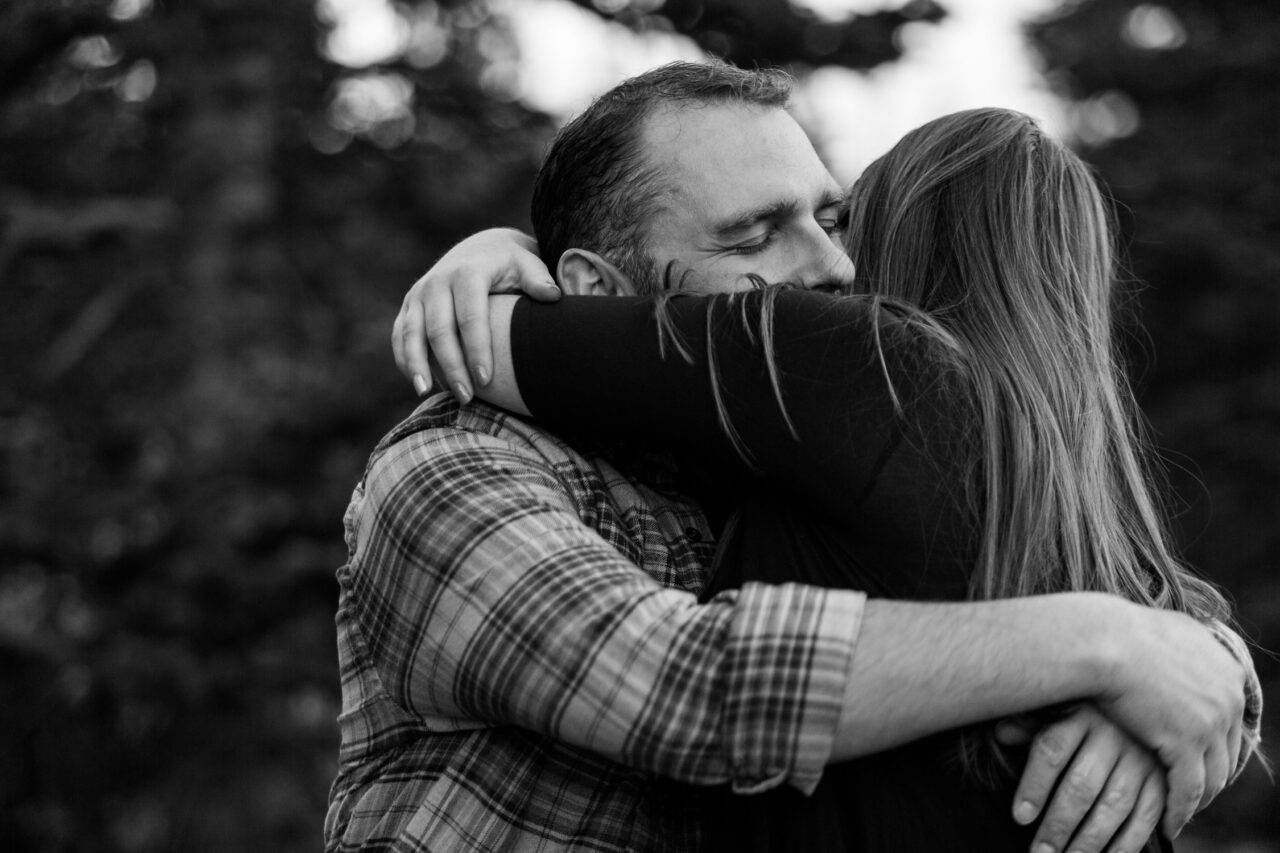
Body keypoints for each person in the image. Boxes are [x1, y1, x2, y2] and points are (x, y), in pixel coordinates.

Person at [331, 63, 1258, 853]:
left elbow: (1113, 577)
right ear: (595, 297)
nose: (836, 270)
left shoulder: (780, 467)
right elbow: (675, 687)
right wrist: (1098, 645)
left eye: (835, 217)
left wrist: (1197, 663)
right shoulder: (456, 469)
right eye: (753, 236)